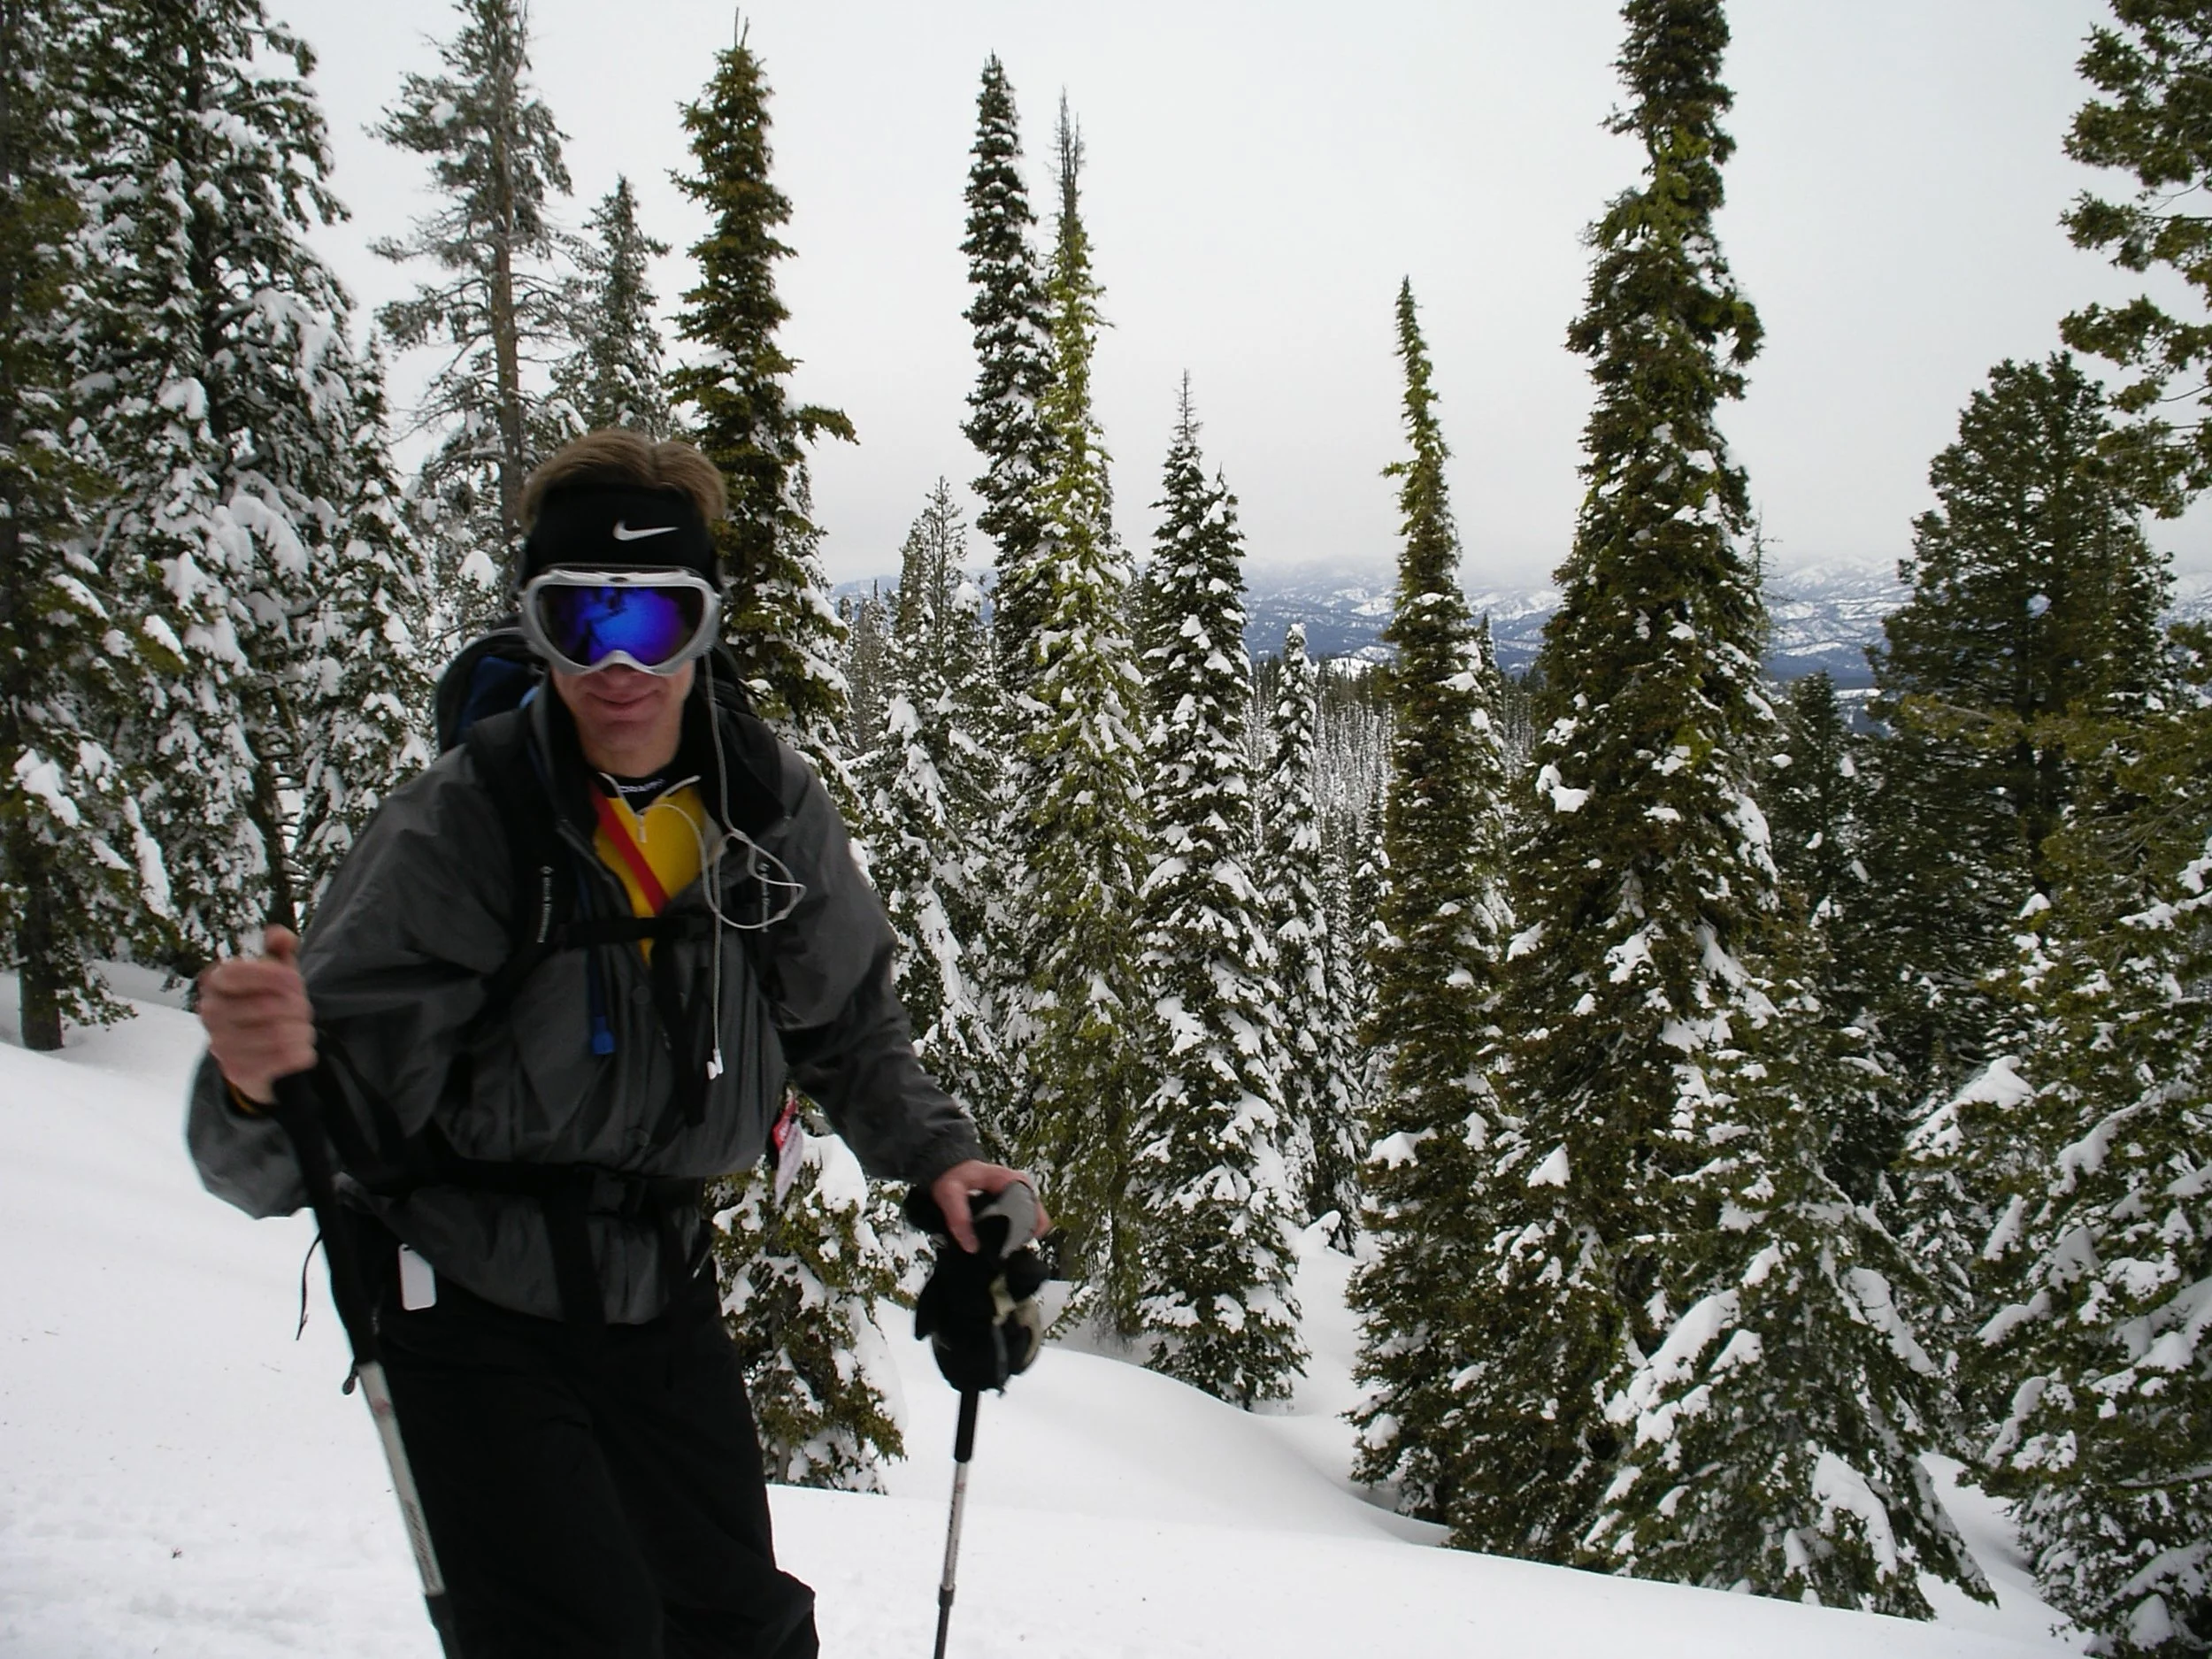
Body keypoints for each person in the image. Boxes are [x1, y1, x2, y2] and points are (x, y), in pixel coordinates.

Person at [187, 429, 1044, 1659]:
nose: (621, 663)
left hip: (658, 1288)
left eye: (658, 617)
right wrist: (257, 1081)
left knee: (742, 1634)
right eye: (580, 621)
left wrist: (942, 1160)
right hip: (465, 1302)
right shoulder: (462, 832)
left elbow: (846, 1023)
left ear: (706, 624)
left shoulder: (761, 807)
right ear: (536, 629)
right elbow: (287, 1157)